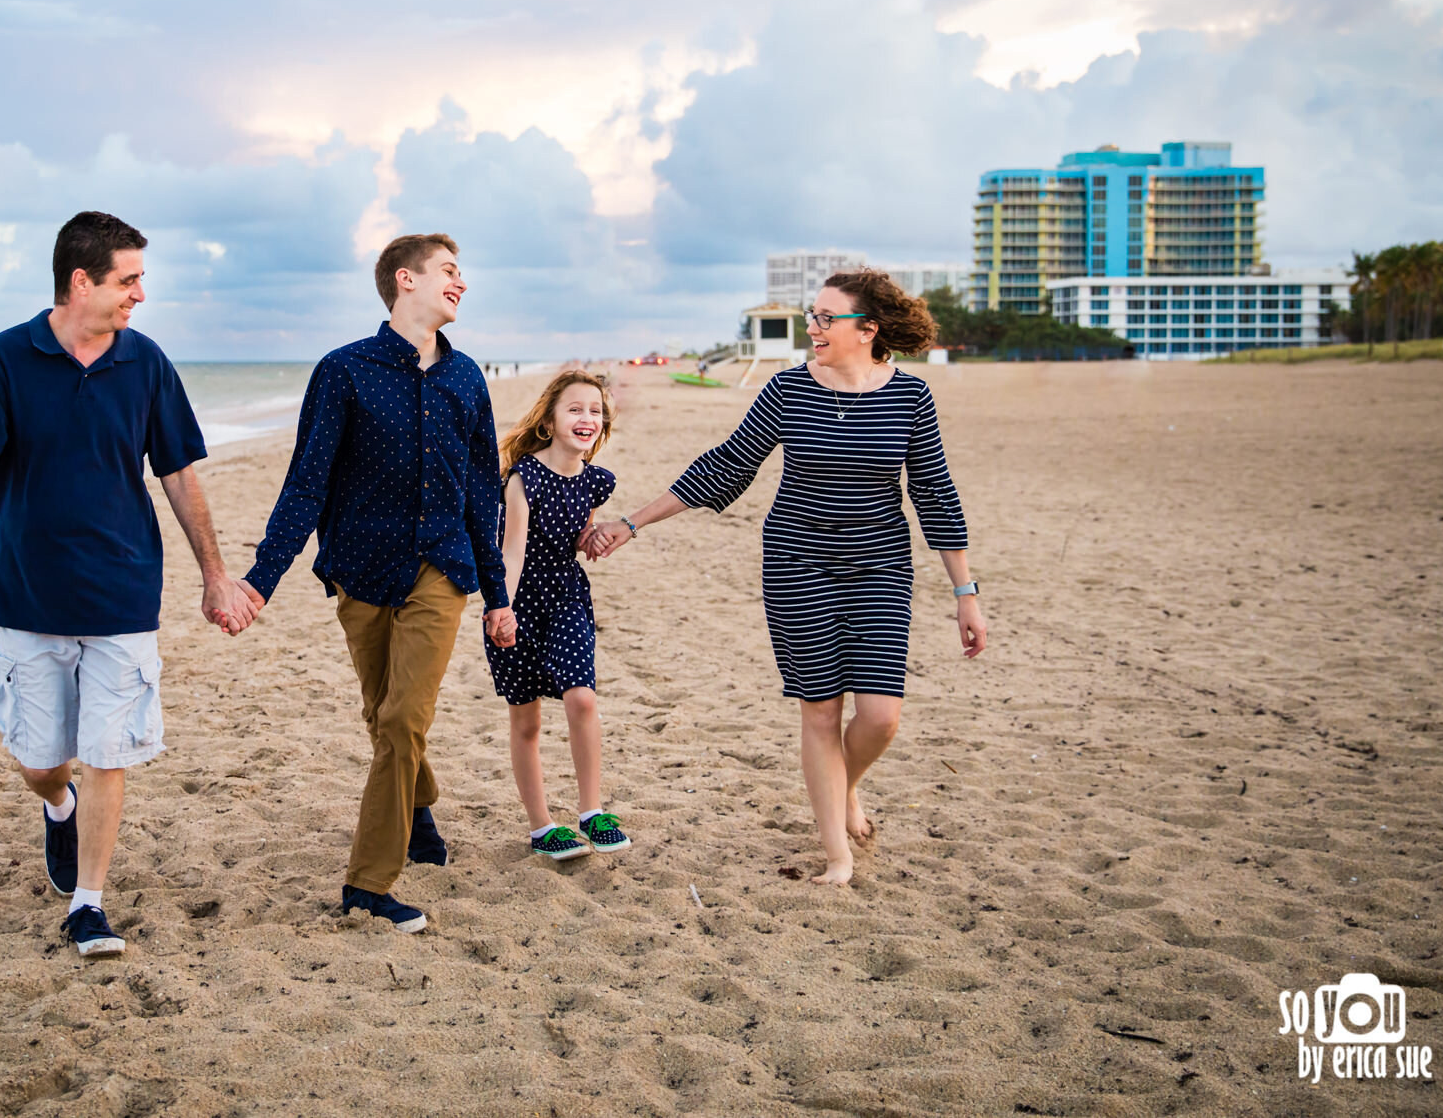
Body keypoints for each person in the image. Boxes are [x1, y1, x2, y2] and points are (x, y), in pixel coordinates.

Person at [0, 212, 260, 957]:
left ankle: (89, 904)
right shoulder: (6, 358)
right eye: (128, 279)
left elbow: (179, 476)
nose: (139, 294)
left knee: (108, 751)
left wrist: (215, 574)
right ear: (80, 281)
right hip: (30, 594)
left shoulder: (147, 362)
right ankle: (56, 805)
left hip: (124, 592)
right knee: (40, 757)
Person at [586, 270, 986, 886]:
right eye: (813, 316)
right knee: (821, 712)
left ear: (867, 330)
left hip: (880, 567)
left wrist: (966, 594)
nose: (814, 328)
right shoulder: (788, 391)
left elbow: (934, 493)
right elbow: (726, 465)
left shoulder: (911, 398)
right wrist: (634, 523)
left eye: (828, 318)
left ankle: (843, 785)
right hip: (798, 566)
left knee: (880, 716)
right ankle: (837, 853)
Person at [240, 233, 515, 934]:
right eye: (450, 271)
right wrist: (259, 580)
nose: (462, 282)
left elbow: (484, 493)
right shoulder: (345, 371)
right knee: (386, 715)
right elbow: (307, 482)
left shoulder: (467, 379)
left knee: (400, 719)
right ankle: (418, 807)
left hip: (441, 569)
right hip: (360, 570)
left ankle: (367, 883)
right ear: (406, 280)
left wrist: (497, 593)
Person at [487, 370, 631, 862]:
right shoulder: (523, 477)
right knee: (526, 722)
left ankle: (592, 812)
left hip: (567, 595)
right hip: (518, 600)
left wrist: (590, 541)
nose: (587, 418)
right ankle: (542, 827)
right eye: (575, 409)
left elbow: (577, 535)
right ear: (549, 422)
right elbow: (512, 553)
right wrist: (500, 608)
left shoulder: (596, 482)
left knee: (582, 699)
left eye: (595, 411)